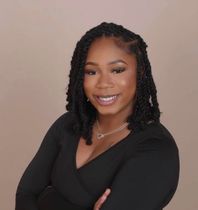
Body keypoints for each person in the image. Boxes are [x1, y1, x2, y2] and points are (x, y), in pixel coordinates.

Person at [15, 22, 180, 210]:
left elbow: (35, 198)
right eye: (91, 72)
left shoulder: (156, 150)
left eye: (117, 70)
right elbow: (25, 194)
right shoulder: (69, 124)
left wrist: (48, 198)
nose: (103, 83)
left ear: (140, 72)